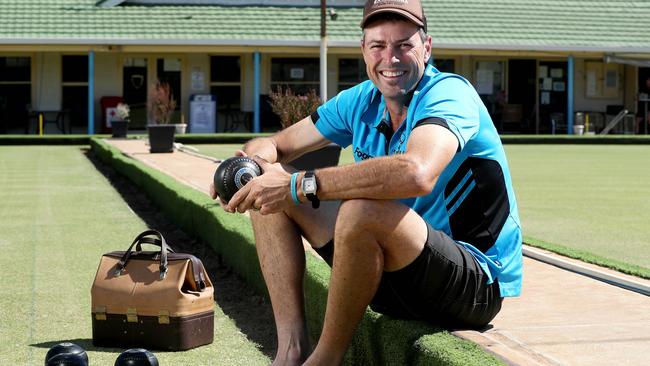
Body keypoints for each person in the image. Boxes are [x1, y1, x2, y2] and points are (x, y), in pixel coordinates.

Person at [210, 1, 522, 365]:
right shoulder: (361, 100)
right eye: (378, 45)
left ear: (427, 47)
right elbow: (278, 144)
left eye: (404, 44)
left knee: (357, 209)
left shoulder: (450, 94)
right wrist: (249, 165)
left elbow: (417, 172)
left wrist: (296, 185)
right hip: (393, 272)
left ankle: (324, 360)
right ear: (364, 50)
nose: (390, 58)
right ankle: (290, 352)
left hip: (472, 285)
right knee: (270, 190)